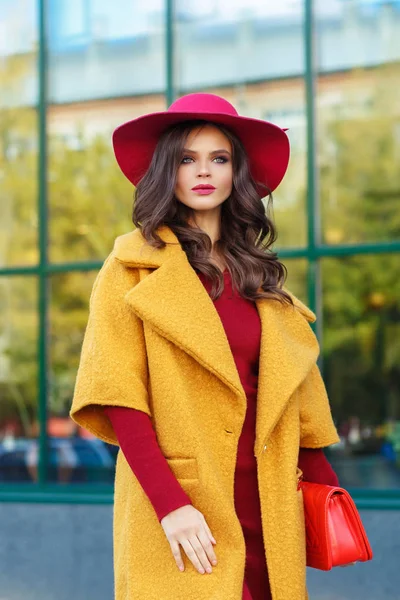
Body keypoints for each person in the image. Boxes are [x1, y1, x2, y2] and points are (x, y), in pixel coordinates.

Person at [69, 93, 345, 600]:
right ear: (165, 172)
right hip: (183, 505)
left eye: (219, 159)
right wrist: (170, 504)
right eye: (186, 159)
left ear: (236, 173)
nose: (204, 172)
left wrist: (330, 498)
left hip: (269, 500)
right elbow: (118, 395)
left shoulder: (263, 282)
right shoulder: (130, 270)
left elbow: (299, 410)